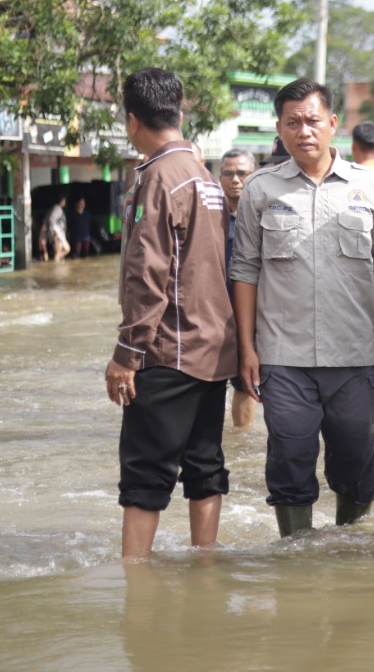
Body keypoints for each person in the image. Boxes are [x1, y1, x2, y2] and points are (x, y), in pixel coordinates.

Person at [230, 78, 374, 538]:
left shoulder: (370, 188)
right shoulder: (261, 190)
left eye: (313, 121)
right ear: (279, 130)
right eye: (292, 122)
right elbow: (245, 271)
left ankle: (349, 557)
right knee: (289, 463)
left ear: (334, 125)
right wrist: (247, 349)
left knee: (358, 466)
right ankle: (295, 565)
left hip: (355, 357)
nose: (304, 131)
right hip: (284, 359)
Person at [102, 67, 238, 559]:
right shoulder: (204, 177)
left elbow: (147, 274)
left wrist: (126, 353)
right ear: (180, 113)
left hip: (168, 349)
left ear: (132, 121)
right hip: (213, 346)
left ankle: (134, 579)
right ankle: (206, 564)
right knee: (204, 462)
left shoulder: (158, 177)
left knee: (145, 470)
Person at [218, 149, 259, 428]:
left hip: (254, 314)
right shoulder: (209, 216)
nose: (235, 179)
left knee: (247, 383)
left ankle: (242, 437)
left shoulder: (262, 215)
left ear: (253, 175)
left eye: (242, 173)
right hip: (215, 315)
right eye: (228, 173)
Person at [45, 197, 71, 262]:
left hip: (60, 234)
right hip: (57, 234)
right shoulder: (57, 209)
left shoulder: (58, 209)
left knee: (67, 249)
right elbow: (51, 219)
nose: (65, 202)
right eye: (64, 200)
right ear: (61, 201)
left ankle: (55, 261)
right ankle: (56, 265)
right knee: (58, 253)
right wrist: (54, 230)